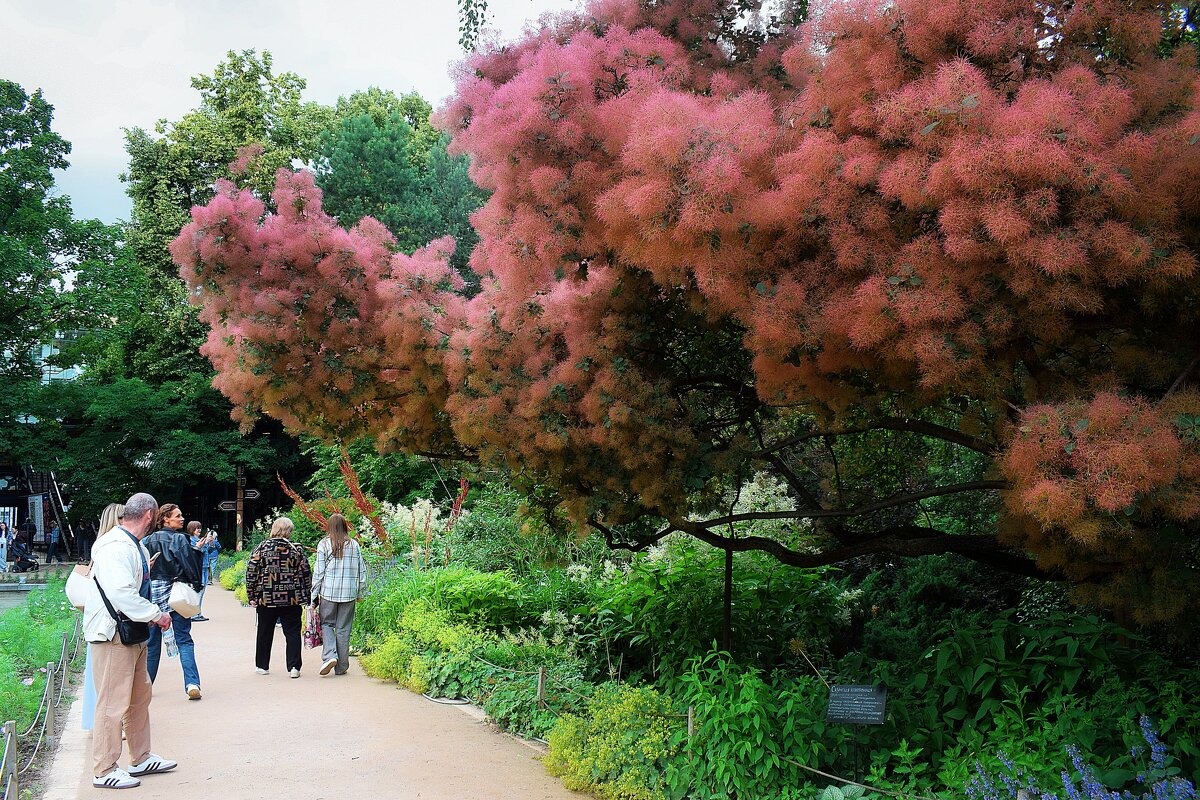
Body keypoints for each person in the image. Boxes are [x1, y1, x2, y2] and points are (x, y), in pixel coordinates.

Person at [84, 492, 176, 789]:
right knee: (111, 703)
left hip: (131, 632)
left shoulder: (128, 544)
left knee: (139, 697)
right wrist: (156, 614)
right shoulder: (115, 546)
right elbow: (121, 593)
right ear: (149, 515)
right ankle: (104, 768)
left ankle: (140, 757)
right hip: (113, 634)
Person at [142, 504, 204, 700]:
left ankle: (146, 687)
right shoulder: (181, 539)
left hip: (153, 598)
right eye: (178, 515)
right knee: (184, 639)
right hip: (176, 597)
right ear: (166, 519)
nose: (182, 518)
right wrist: (195, 585)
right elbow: (190, 566)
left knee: (152, 645)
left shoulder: (146, 540)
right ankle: (192, 683)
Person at [245, 517, 311, 678]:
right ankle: (294, 667)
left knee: (264, 631)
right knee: (293, 632)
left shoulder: (261, 547)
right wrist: (307, 595)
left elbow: (251, 572)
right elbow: (305, 573)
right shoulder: (296, 549)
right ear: (289, 531)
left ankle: (262, 665)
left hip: (266, 598)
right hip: (291, 598)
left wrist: (251, 594)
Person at [311, 513, 367, 676]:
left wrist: (314, 594)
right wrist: (360, 591)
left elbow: (319, 571)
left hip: (328, 592)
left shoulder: (324, 544)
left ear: (329, 526)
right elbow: (361, 570)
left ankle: (329, 655)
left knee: (327, 624)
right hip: (349, 593)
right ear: (344, 526)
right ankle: (341, 666)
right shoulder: (354, 545)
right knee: (343, 628)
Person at [186, 522, 214, 621]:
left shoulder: (200, 540)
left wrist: (210, 544)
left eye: (199, 528)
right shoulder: (191, 541)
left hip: (205, 567)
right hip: (198, 569)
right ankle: (194, 615)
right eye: (196, 528)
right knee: (197, 592)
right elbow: (196, 552)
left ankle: (198, 613)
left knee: (201, 592)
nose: (198, 530)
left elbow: (209, 552)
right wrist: (204, 544)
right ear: (191, 529)